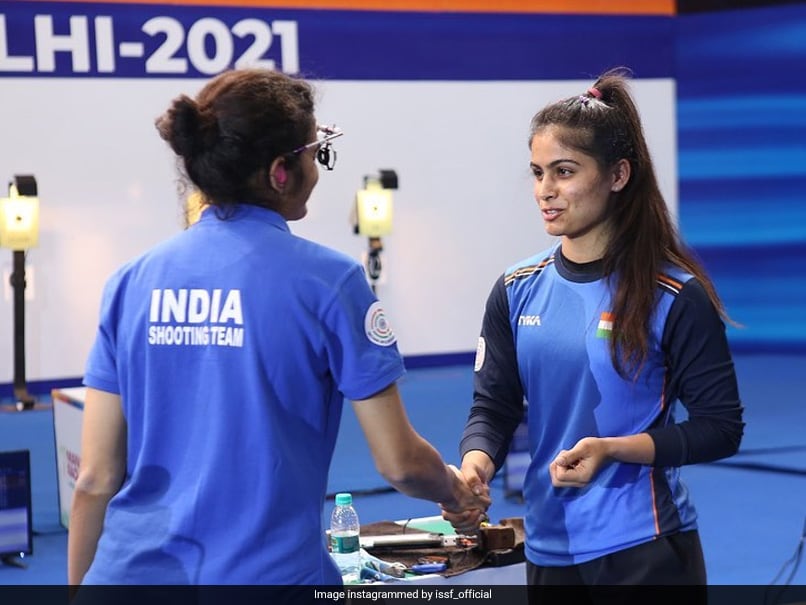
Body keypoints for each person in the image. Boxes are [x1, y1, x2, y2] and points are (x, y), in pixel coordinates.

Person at [67, 67, 488, 586]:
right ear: (280, 172)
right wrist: (453, 490)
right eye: (315, 153)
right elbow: (399, 463)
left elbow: (94, 479)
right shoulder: (330, 282)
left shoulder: (128, 282)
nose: (318, 167)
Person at [442, 68, 745, 600]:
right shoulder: (515, 289)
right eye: (537, 173)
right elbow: (493, 406)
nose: (545, 191)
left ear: (618, 176)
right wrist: (475, 465)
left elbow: (720, 428)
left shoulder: (673, 295)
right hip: (547, 546)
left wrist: (614, 449)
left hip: (646, 549)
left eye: (564, 171)